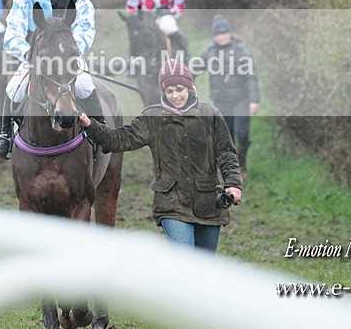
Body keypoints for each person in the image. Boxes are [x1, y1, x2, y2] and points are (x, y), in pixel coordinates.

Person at [78, 59, 242, 252]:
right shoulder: (152, 118)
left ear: (190, 87)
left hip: (208, 205)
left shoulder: (210, 114)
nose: (175, 96)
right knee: (185, 261)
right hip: (171, 204)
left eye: (180, 89)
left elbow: (226, 153)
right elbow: (119, 140)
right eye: (169, 91)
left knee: (203, 268)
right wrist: (91, 126)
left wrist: (233, 184)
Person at [0, 0, 104, 160]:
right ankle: (5, 136)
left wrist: (69, 52)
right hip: (37, 57)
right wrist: (30, 55)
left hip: (68, 56)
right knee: (14, 87)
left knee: (84, 84)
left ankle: (102, 130)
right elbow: (12, 33)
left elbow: (86, 27)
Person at [199, 15, 260, 174]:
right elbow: (195, 67)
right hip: (221, 100)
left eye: (225, 32)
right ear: (215, 36)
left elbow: (251, 76)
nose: (222, 36)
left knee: (243, 133)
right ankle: (231, 168)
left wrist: (254, 100)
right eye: (219, 34)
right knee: (227, 135)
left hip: (241, 98)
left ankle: (242, 164)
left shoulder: (241, 50)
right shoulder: (210, 51)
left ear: (230, 33)